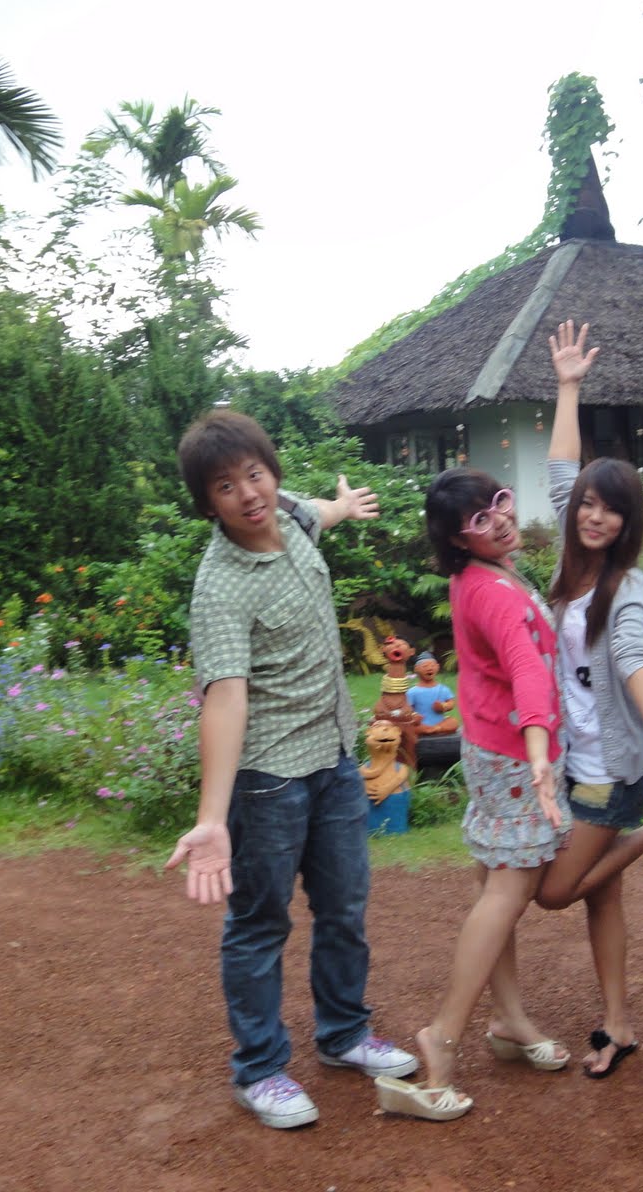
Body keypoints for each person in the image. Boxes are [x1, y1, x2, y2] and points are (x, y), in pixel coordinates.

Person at [164, 409, 417, 1131]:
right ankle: (260, 1070)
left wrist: (344, 505)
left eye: (255, 474)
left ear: (271, 471)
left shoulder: (292, 515)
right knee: (259, 922)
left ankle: (343, 1033)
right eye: (225, 486)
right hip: (268, 778)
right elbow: (225, 698)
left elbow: (316, 513)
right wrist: (212, 818)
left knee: (344, 907)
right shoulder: (220, 586)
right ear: (207, 503)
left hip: (334, 758)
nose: (248, 494)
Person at [536, 320, 643, 1078]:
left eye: (610, 509)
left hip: (612, 766)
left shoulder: (627, 585)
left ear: (627, 521)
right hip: (575, 759)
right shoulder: (567, 560)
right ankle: (618, 1025)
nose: (593, 515)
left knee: (555, 892)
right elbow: (560, 471)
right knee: (599, 894)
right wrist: (568, 388)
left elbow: (635, 657)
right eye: (587, 504)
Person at [376, 467, 572, 1122]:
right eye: (481, 520)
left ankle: (510, 1019)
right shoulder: (490, 591)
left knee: (495, 887)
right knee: (507, 893)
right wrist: (540, 749)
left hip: (495, 748)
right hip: (516, 756)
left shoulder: (485, 573)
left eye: (500, 503)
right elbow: (525, 667)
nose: (501, 520)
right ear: (459, 540)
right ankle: (443, 1037)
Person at [404, 652, 457, 734]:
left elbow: (451, 703)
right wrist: (413, 715)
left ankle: (435, 728)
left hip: (440, 722)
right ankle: (429, 729)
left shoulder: (443, 689)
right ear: (416, 669)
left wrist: (444, 706)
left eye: (432, 666)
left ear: (437, 667)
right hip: (421, 724)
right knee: (409, 727)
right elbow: (406, 709)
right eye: (425, 666)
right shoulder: (413, 691)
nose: (429, 669)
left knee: (453, 722)